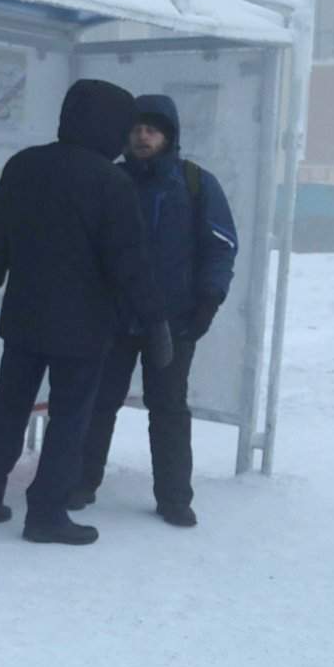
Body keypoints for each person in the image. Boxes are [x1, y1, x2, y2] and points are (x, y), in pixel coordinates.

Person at [0, 79, 173, 546]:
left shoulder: (24, 164)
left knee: (8, 405)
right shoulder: (112, 182)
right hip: (82, 327)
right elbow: (129, 262)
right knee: (69, 418)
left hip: (23, 316)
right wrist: (155, 319)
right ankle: (46, 513)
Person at [71, 94, 239, 527]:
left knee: (168, 408)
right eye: (135, 129)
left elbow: (220, 247)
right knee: (98, 403)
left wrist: (208, 301)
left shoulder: (195, 183)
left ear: (169, 136)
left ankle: (174, 498)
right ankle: (81, 482)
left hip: (174, 321)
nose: (142, 136)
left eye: (152, 129)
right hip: (114, 318)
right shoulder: (110, 179)